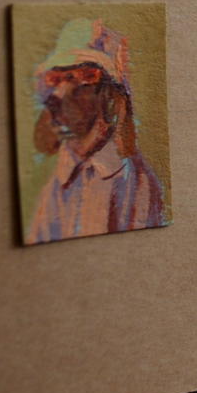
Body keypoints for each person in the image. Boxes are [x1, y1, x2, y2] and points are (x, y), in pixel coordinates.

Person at [27, 18, 165, 243]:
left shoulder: (135, 183)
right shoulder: (57, 182)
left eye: (84, 77)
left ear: (109, 93)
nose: (58, 95)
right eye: (57, 79)